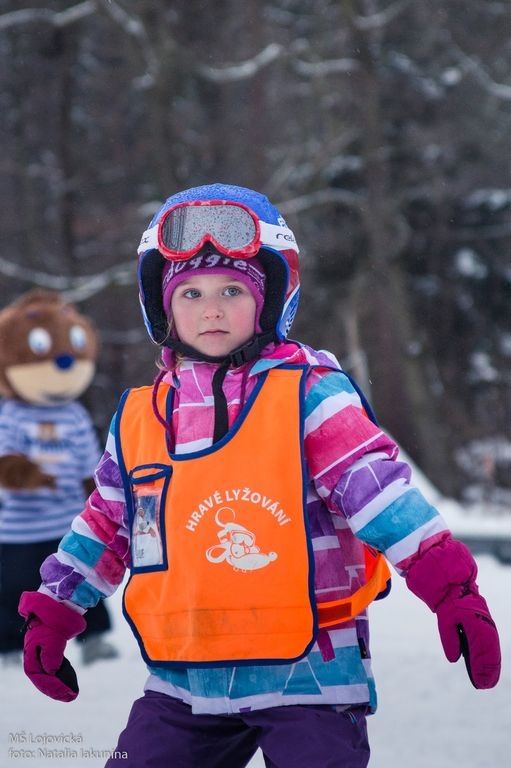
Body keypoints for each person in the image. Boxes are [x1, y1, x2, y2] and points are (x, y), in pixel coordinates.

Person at [18, 184, 500, 768]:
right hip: (184, 679)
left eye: (232, 290)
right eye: (190, 292)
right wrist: (56, 608)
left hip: (311, 675)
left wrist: (452, 591)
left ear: (270, 301)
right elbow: (107, 525)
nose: (211, 309)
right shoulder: (144, 418)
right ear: (162, 307)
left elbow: (382, 497)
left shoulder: (308, 396)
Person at [0, 290, 117, 666]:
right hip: (20, 527)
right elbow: (5, 455)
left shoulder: (75, 415)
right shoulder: (12, 413)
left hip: (69, 519)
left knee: (76, 575)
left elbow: (90, 461)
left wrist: (94, 487)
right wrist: (20, 473)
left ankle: (93, 637)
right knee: (14, 584)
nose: (63, 361)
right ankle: (11, 643)